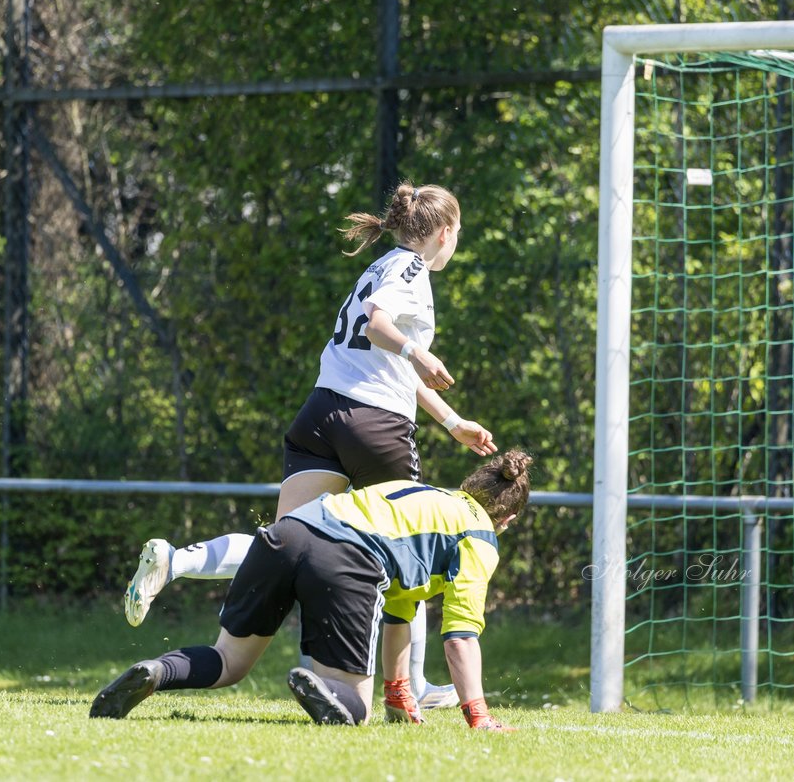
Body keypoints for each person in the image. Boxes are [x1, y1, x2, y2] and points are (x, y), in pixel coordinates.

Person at [124, 182, 495, 708]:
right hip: (374, 424)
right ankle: (405, 687)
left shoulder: (381, 265)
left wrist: (451, 419)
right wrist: (420, 351)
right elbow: (380, 326)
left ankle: (179, 561)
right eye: (458, 234)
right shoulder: (411, 269)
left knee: (286, 540)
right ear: (445, 232)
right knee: (407, 548)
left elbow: (382, 356)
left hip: (321, 413)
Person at [91, 450, 532, 729]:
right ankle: (325, 688)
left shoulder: (426, 498)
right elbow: (460, 639)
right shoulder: (478, 535)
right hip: (344, 558)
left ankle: (155, 670)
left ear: (469, 485)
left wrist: (399, 693)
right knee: (355, 706)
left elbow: (400, 612)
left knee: (228, 661)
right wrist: (479, 715)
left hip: (289, 532)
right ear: (508, 519)